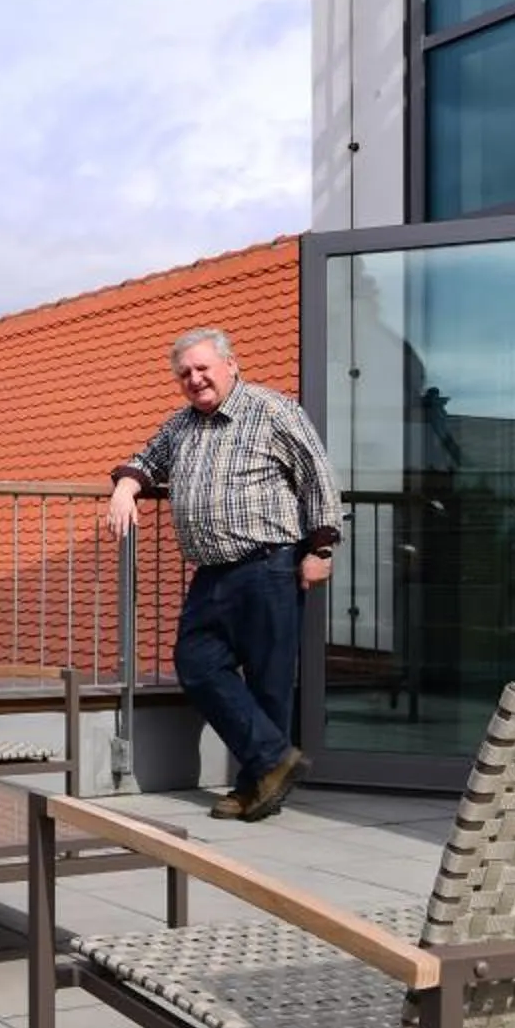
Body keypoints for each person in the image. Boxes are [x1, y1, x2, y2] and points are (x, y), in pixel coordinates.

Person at [108, 327, 341, 821]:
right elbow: (146, 459)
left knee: (268, 684)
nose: (194, 380)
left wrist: (321, 548)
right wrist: (126, 487)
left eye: (202, 369)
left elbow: (317, 475)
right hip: (213, 572)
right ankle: (273, 759)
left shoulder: (273, 411)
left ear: (231, 365)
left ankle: (254, 788)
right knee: (195, 663)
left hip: (269, 564)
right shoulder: (181, 425)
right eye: (185, 373)